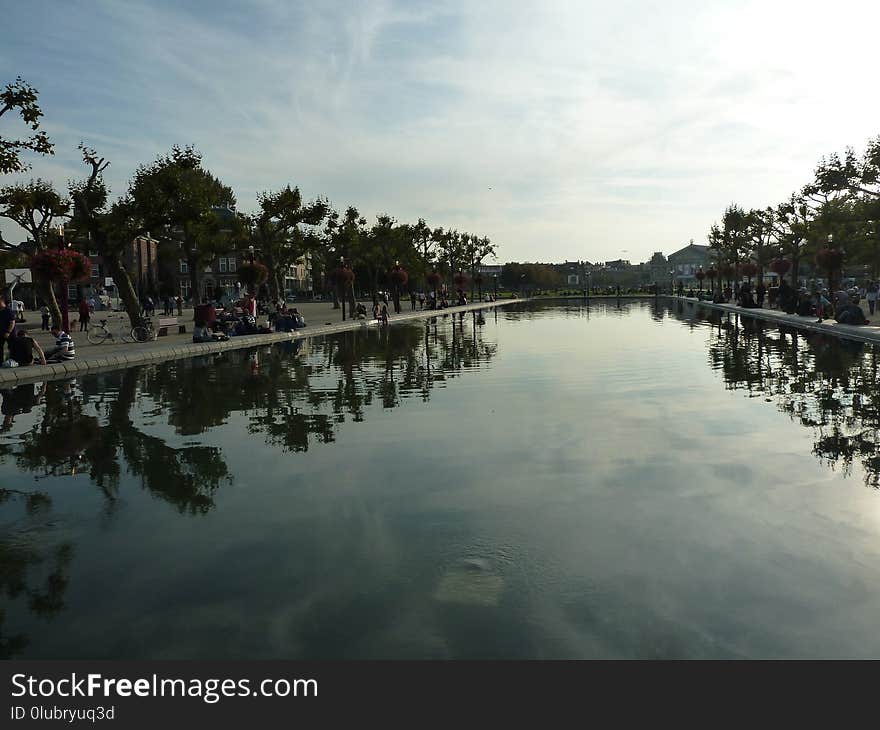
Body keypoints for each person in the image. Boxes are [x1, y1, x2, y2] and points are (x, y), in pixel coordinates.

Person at [0, 295, 17, 362]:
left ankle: (14, 360)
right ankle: (1, 361)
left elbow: (12, 322)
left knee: (12, 347)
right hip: (1, 332)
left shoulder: (8, 310)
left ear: (2, 301)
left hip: (10, 333)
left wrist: (8, 332)